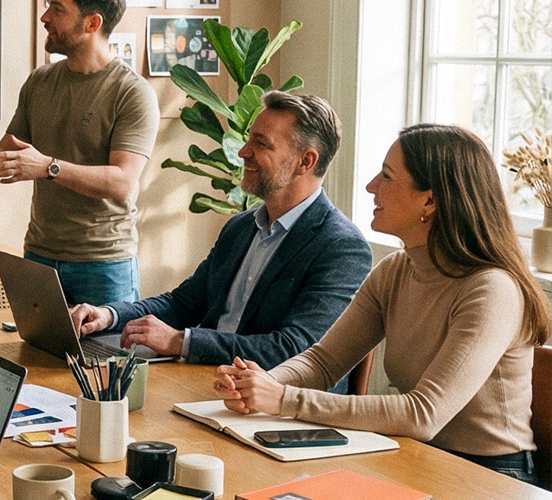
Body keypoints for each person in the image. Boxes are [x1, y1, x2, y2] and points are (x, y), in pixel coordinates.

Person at [214, 123, 550, 481]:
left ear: (430, 200)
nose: (370, 186)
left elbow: (423, 414)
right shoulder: (396, 270)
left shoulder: (491, 289)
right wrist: (256, 383)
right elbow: (324, 362)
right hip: (413, 455)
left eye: (386, 177)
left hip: (490, 478)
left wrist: (282, 399)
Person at [72, 92, 371, 365]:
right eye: (249, 139)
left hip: (273, 405)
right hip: (208, 382)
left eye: (261, 143)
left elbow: (294, 349)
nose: (243, 152)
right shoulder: (241, 227)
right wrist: (109, 316)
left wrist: (179, 341)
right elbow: (183, 303)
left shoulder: (341, 247)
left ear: (305, 161)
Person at [0, 0, 159, 305]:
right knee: (34, 357)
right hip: (40, 259)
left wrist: (48, 167)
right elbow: (7, 157)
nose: (44, 18)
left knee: (102, 360)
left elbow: (121, 182)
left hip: (104, 265)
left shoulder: (132, 92)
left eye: (57, 9)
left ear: (92, 23)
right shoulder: (39, 82)